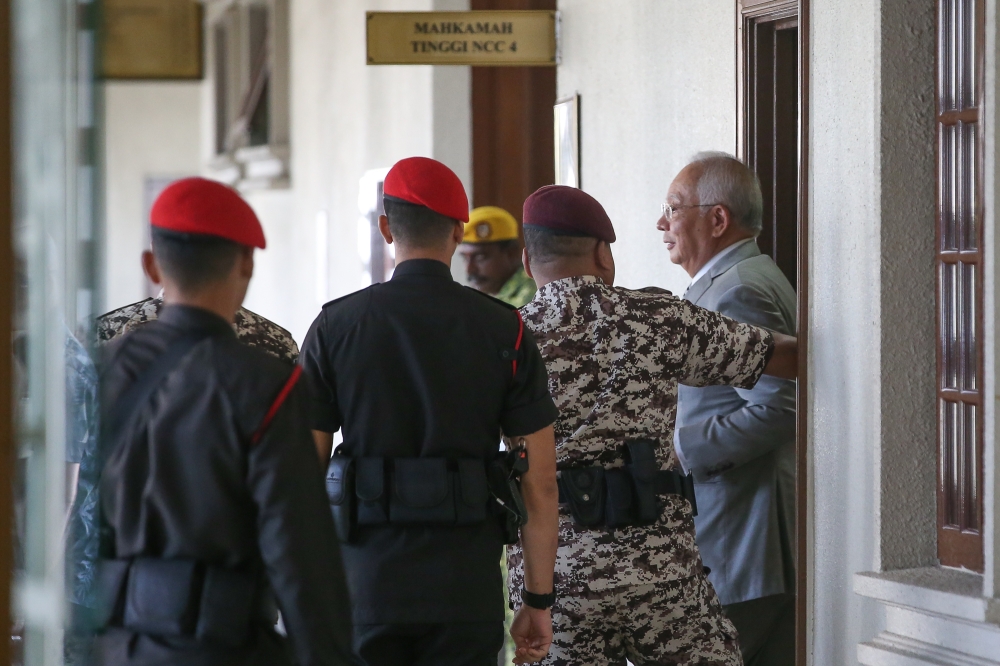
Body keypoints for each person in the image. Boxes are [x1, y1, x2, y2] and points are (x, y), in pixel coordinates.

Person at [509, 184, 799, 666]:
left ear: (526, 261)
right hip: (661, 575)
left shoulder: (509, 339)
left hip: (557, 583)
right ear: (603, 255)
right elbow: (782, 357)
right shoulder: (657, 319)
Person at [300, 157, 560, 666]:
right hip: (465, 590)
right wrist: (537, 601)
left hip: (364, 586)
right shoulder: (505, 328)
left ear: (385, 228)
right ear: (459, 231)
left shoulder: (335, 327)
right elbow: (541, 481)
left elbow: (301, 473)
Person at [95, 178, 355, 666]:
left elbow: (79, 507)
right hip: (223, 645)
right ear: (247, 263)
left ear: (152, 265)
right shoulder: (268, 384)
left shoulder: (105, 367)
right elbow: (298, 548)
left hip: (118, 644)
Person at [661, 152, 796, 666]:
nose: (662, 224)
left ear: (718, 219)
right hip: (740, 540)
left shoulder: (738, 290)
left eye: (673, 208)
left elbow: (780, 408)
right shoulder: (733, 280)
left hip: (740, 540)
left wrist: (678, 448)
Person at [458, 205, 536, 307]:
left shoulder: (531, 298)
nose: (469, 269)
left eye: (480, 257)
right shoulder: (489, 295)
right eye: (465, 258)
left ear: (511, 253)